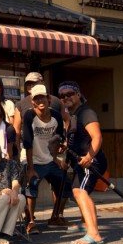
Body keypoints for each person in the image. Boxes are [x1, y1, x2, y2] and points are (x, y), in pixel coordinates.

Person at [59, 81, 107, 244]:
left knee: (79, 192)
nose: (66, 97)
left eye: (70, 94)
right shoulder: (73, 116)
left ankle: (94, 234)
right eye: (63, 96)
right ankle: (88, 225)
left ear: (78, 94)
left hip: (90, 162)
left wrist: (89, 156)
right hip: (80, 162)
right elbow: (72, 142)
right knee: (80, 192)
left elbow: (97, 137)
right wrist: (66, 161)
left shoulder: (86, 112)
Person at [22, 84, 72, 233]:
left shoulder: (56, 115)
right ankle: (30, 221)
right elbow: (28, 143)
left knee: (66, 184)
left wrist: (55, 157)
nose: (40, 101)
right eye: (37, 98)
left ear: (48, 99)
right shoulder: (29, 116)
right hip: (33, 160)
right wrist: (30, 168)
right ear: (33, 102)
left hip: (50, 159)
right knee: (32, 186)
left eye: (42, 97)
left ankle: (56, 216)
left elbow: (57, 138)